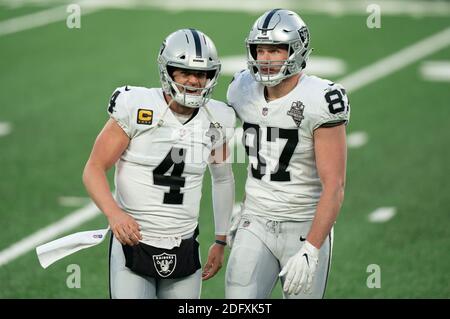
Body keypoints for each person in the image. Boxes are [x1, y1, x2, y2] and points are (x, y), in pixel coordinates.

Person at [82, 28, 236, 299]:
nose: (193, 81)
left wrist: (221, 240)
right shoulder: (136, 106)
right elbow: (94, 168)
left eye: (201, 74)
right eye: (184, 72)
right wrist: (114, 213)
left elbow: (222, 178)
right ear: (167, 72)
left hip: (185, 243)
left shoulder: (218, 118)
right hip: (135, 242)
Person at [225, 9, 350, 299]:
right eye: (260, 50)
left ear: (297, 50)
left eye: (275, 50)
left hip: (304, 226)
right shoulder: (241, 88)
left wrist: (312, 248)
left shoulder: (321, 99)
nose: (265, 58)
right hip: (255, 220)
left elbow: (335, 186)